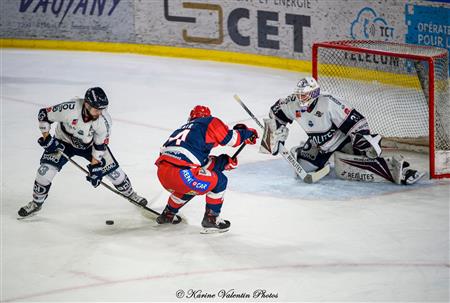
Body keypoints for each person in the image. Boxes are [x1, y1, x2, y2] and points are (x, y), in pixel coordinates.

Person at [261, 76, 424, 185]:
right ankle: (304, 151)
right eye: (299, 95)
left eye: (304, 95)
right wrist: (275, 136)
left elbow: (356, 121)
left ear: (314, 93)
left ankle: (400, 170)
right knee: (302, 170)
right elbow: (275, 113)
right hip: (319, 145)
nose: (300, 99)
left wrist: (362, 139)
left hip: (343, 141)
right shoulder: (292, 103)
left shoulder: (329, 103)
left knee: (360, 162)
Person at [18, 87, 148, 218]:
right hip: (63, 142)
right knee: (44, 172)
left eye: (102, 109)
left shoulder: (104, 121)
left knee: (116, 174)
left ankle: (131, 195)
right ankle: (36, 203)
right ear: (86, 104)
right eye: (97, 109)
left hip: (89, 147)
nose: (99, 113)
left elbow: (99, 145)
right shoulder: (69, 109)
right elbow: (44, 114)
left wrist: (95, 167)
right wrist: (47, 139)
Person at [155, 105, 258, 233]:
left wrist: (223, 162)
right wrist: (248, 133)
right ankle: (211, 219)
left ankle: (168, 214)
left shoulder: (182, 131)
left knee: (190, 185)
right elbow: (232, 139)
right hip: (184, 174)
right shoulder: (209, 122)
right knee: (220, 181)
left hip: (163, 175)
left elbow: (199, 164)